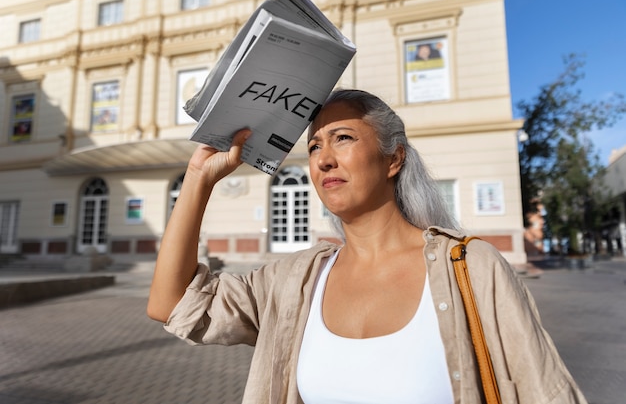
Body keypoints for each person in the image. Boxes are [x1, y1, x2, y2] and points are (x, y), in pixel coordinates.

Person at [147, 89, 587, 404]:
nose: (322, 159)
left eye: (343, 137)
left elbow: (545, 389)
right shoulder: (294, 280)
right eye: (314, 146)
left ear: (393, 158)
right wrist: (198, 180)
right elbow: (171, 304)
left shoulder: (472, 268)